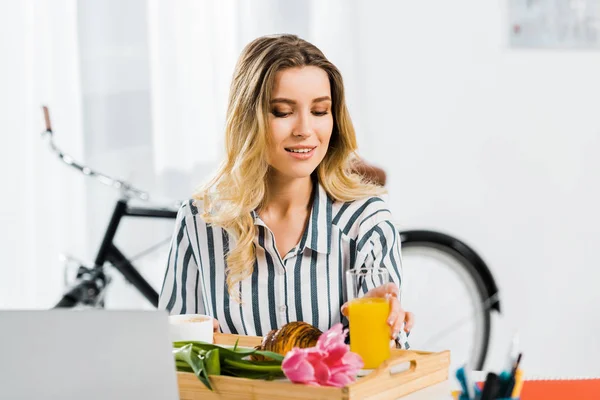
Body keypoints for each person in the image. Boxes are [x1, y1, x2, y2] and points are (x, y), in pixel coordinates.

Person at [159, 34, 414, 346]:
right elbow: (172, 357)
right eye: (282, 111)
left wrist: (382, 327)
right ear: (247, 119)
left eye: (320, 111)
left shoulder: (365, 221)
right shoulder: (200, 219)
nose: (305, 130)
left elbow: (386, 365)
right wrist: (190, 344)